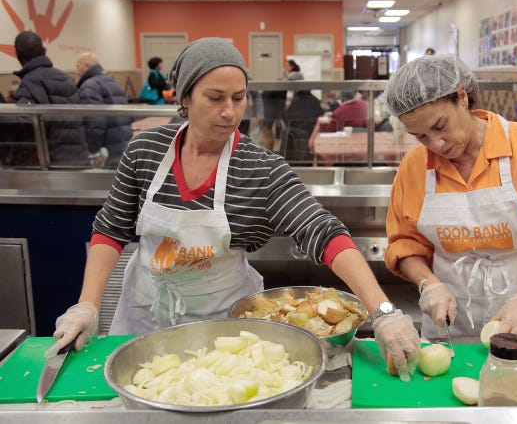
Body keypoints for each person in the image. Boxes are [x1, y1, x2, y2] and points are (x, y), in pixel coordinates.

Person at [48, 37, 420, 381]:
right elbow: (110, 230)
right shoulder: (144, 151)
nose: (230, 112)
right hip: (142, 317)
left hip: (225, 336)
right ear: (185, 97)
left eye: (239, 98)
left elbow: (323, 232)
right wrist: (87, 306)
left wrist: (383, 313)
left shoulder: (260, 169)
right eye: (215, 98)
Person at [383, 54, 517, 341]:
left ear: (461, 96)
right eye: (420, 136)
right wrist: (428, 283)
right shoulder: (414, 167)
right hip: (450, 326)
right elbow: (405, 245)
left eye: (439, 126)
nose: (436, 144)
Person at [12, 31, 89, 166]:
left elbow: (26, 123)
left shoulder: (29, 82)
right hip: (78, 159)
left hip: (52, 163)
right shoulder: (65, 77)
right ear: (44, 51)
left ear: (18, 55)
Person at [76, 52, 133, 168]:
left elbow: (95, 121)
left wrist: (93, 150)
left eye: (77, 66)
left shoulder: (89, 86)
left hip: (107, 147)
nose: (76, 71)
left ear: (86, 65)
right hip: (122, 143)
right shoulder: (110, 81)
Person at [281, 89, 324, 162]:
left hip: (297, 131)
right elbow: (321, 113)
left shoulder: (295, 101)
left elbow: (288, 116)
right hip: (311, 131)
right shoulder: (314, 100)